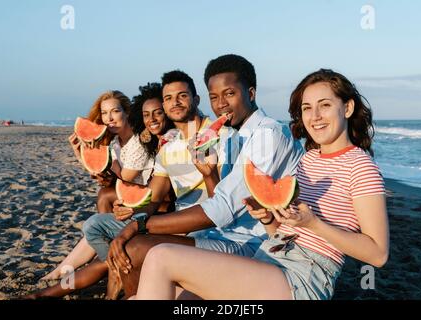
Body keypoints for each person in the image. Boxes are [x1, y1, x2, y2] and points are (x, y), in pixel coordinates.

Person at [131, 69, 390, 300]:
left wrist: (314, 224)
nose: (315, 116)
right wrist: (268, 219)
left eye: (324, 105)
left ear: (347, 108)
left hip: (304, 277)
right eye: (307, 108)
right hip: (269, 258)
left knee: (160, 256)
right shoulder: (309, 159)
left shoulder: (361, 167)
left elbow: (378, 254)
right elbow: (284, 232)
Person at [103, 54, 304, 298]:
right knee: (138, 251)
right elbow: (221, 200)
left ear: (250, 94)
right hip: (223, 235)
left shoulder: (267, 136)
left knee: (135, 247)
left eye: (229, 94)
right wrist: (209, 175)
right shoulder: (229, 135)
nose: (221, 104)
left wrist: (138, 225)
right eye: (214, 97)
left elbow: (222, 209)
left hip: (254, 245)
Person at [83, 70, 231, 298]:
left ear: (196, 99)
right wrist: (133, 209)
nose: (175, 102)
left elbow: (221, 204)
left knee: (132, 246)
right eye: (169, 98)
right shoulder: (169, 147)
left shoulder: (219, 135)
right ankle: (122, 276)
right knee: (94, 225)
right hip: (176, 222)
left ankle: (131, 287)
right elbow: (152, 199)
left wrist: (137, 225)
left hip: (208, 226)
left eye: (182, 96)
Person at [25, 85, 172, 299]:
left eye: (115, 111)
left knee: (102, 204)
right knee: (97, 222)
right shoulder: (115, 144)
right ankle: (71, 268)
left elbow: (124, 181)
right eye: (104, 113)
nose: (109, 118)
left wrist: (96, 157)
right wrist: (81, 153)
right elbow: (101, 171)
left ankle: (74, 270)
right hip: (130, 206)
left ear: (127, 112)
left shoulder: (139, 142)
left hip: (148, 205)